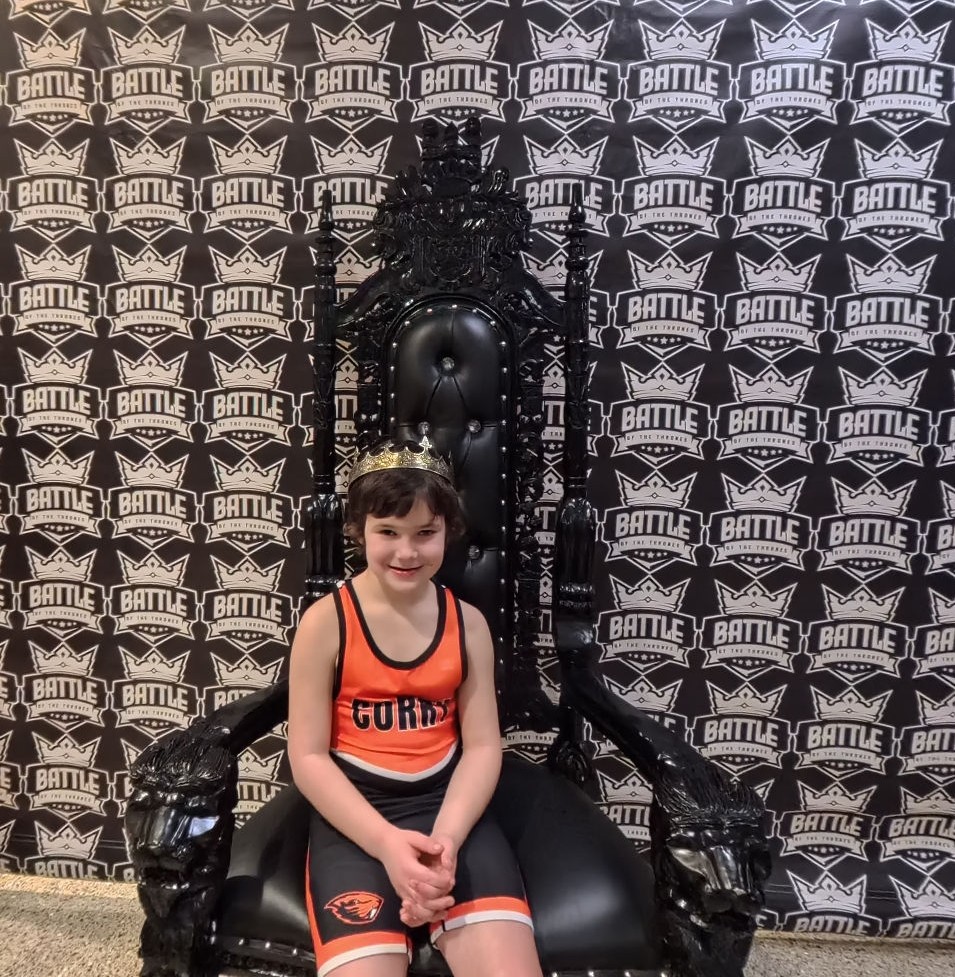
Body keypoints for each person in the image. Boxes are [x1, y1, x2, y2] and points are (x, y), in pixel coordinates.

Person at [288, 436, 544, 977]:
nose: (407, 553)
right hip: (358, 816)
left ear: (448, 530)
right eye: (388, 532)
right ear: (358, 531)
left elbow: (482, 747)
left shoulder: (467, 624)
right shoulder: (325, 623)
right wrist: (386, 844)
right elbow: (308, 757)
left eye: (426, 533)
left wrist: (445, 843)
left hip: (448, 808)